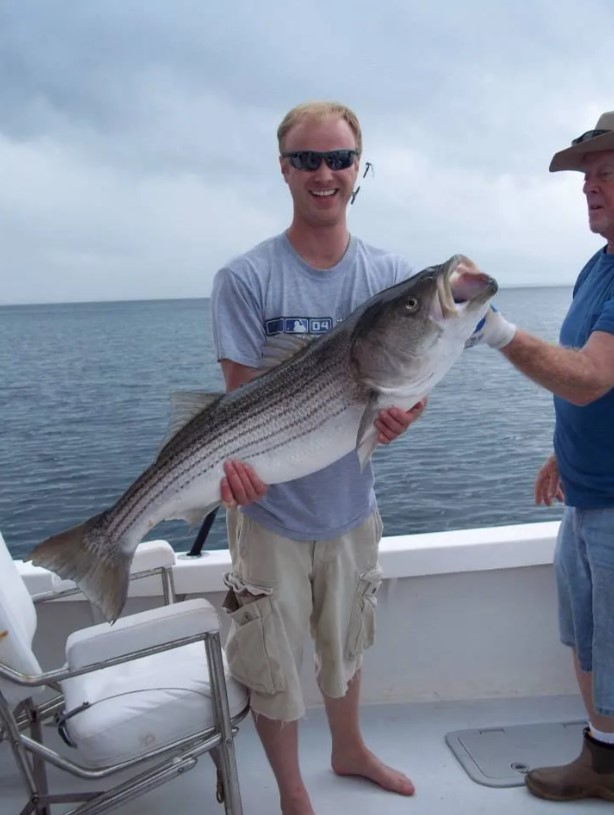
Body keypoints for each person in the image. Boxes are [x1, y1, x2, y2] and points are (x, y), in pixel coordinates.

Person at [210, 101, 425, 815]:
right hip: (269, 510)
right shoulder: (246, 278)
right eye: (308, 159)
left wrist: (403, 414)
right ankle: (293, 792)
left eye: (339, 159)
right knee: (274, 663)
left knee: (346, 642)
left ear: (358, 168)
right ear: (284, 169)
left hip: (349, 506)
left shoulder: (390, 277)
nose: (324, 173)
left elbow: (405, 388)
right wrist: (231, 473)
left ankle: (349, 747)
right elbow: (240, 410)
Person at [469, 111, 614, 802]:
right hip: (587, 491)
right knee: (587, 639)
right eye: (587, 175)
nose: (591, 187)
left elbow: (590, 375)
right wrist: (561, 452)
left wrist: (492, 328)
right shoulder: (600, 264)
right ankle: (604, 758)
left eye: (608, 172)